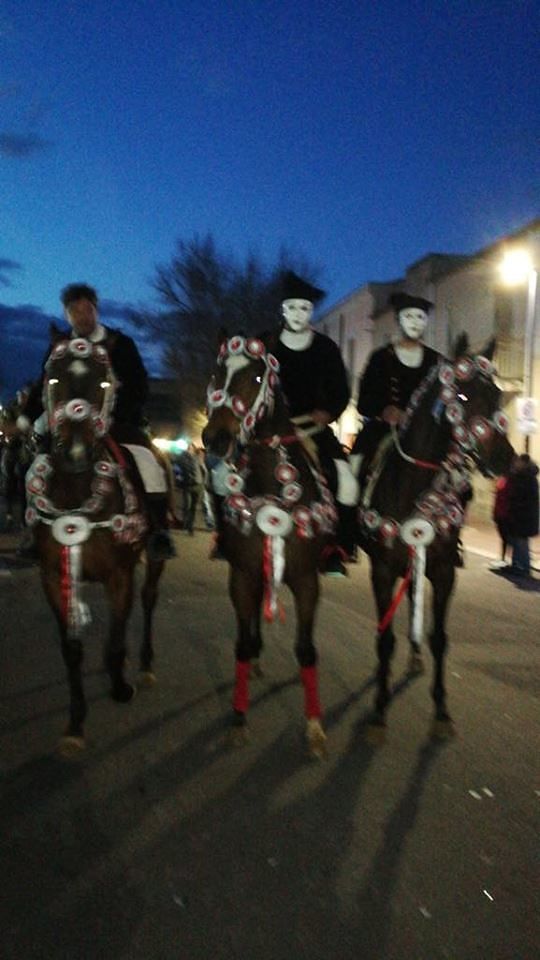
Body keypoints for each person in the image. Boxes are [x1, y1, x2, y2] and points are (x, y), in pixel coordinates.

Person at [23, 283, 176, 560]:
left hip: (116, 423)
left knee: (148, 463)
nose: (82, 316)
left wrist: (116, 412)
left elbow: (139, 385)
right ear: (67, 315)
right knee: (34, 467)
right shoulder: (59, 347)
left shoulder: (122, 344)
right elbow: (43, 387)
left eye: (87, 310)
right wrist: (25, 419)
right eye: (75, 311)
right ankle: (35, 529)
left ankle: (158, 531)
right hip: (67, 426)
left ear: (96, 310)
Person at [272, 271, 359, 576]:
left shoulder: (326, 348)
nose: (299, 314)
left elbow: (341, 391)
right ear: (283, 309)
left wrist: (328, 411)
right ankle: (224, 538)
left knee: (347, 482)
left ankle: (338, 547)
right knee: (225, 472)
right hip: (270, 431)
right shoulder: (265, 343)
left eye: (305, 308)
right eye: (293, 307)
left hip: (313, 428)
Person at [350, 292, 441, 481]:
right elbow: (364, 402)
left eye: (420, 317)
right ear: (399, 320)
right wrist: (385, 410)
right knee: (354, 471)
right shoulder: (380, 357)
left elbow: (446, 399)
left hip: (427, 434)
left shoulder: (437, 361)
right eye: (409, 316)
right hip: (384, 430)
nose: (415, 322)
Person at [505, 454, 539, 578]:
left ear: (523, 463)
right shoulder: (525, 477)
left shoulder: (526, 478)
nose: (516, 464)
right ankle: (517, 565)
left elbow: (522, 497)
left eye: (518, 462)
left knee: (521, 542)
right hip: (521, 515)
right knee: (517, 541)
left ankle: (524, 568)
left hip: (523, 516)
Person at [178, 443, 205, 534]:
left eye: (192, 448)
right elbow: (180, 465)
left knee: (193, 507)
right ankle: (185, 525)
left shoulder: (198, 458)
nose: (190, 450)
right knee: (187, 506)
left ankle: (190, 527)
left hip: (198, 485)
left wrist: (203, 483)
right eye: (189, 448)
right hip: (188, 485)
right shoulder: (183, 458)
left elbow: (203, 470)